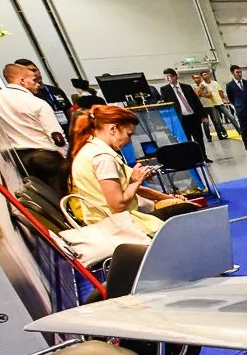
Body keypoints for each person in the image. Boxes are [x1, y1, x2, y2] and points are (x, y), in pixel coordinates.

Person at [69, 105, 197, 235]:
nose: (129, 141)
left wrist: (165, 195)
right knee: (186, 209)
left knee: (175, 203)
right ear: (113, 129)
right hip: (120, 226)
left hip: (108, 223)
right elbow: (118, 205)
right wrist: (136, 182)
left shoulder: (89, 151)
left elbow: (127, 190)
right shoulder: (103, 157)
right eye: (128, 134)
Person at [0, 63, 68, 196]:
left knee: (41, 197)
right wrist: (65, 157)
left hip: (17, 160)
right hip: (46, 157)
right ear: (22, 81)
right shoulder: (37, 103)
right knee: (63, 195)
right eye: (34, 80)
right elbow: (57, 137)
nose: (38, 84)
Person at [160, 68, 209, 162]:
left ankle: (203, 158)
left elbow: (196, 102)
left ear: (175, 76)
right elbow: (165, 104)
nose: (168, 79)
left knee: (199, 139)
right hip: (181, 119)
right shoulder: (164, 89)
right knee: (187, 141)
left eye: (169, 76)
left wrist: (204, 116)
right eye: (166, 77)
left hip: (193, 117)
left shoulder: (187, 87)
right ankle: (192, 159)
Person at [194, 71, 230, 142]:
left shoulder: (205, 85)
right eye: (195, 78)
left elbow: (210, 95)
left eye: (198, 77)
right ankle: (208, 138)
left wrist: (201, 94)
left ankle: (220, 135)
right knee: (205, 123)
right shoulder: (193, 87)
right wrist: (202, 94)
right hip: (202, 107)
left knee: (216, 121)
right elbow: (196, 95)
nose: (197, 79)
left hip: (211, 105)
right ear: (193, 79)